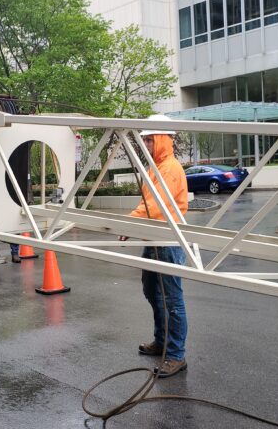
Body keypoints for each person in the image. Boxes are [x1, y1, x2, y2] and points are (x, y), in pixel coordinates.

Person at [122, 115, 189, 378]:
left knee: (172, 300)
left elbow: (157, 204)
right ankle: (161, 341)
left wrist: (128, 223)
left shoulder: (169, 168)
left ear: (162, 140)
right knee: (152, 291)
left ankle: (175, 356)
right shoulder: (155, 167)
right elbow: (148, 204)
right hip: (153, 238)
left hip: (168, 240)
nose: (147, 144)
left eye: (151, 140)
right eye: (145, 139)